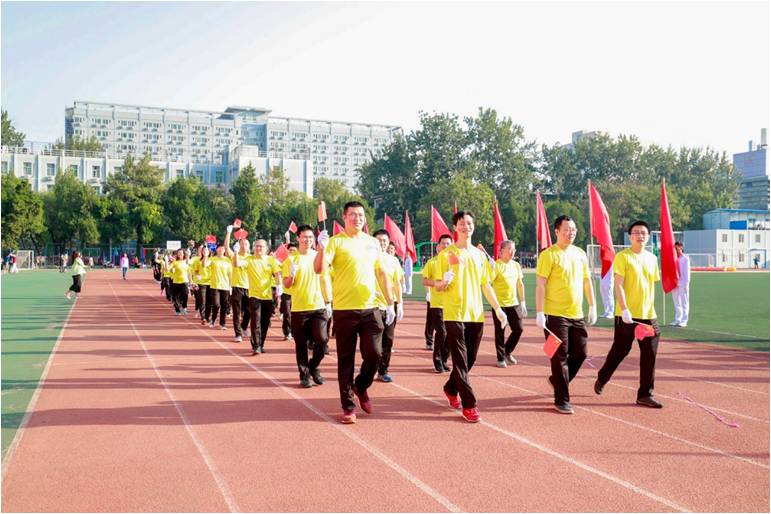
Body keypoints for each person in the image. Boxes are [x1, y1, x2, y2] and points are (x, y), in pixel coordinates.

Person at [314, 201, 394, 424]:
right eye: (352, 215)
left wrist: (390, 303)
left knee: (375, 354)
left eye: (360, 215)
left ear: (364, 218)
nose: (357, 218)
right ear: (344, 217)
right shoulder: (335, 242)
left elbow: (382, 273)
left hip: (370, 308)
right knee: (346, 360)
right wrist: (321, 248)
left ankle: (361, 385)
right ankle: (348, 406)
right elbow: (319, 269)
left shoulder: (372, 243)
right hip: (344, 309)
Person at [433, 211, 509, 423]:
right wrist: (444, 281)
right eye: (461, 223)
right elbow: (437, 285)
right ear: (455, 228)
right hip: (454, 313)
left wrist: (498, 309)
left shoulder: (479, 255)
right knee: (459, 360)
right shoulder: (446, 255)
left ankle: (450, 388)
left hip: (475, 314)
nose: (466, 226)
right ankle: (469, 405)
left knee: (470, 359)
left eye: (469, 223)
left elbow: (486, 284)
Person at [594, 220, 663, 408]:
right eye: (636, 233)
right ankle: (603, 377)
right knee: (620, 351)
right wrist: (624, 309)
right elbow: (618, 284)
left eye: (643, 233)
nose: (640, 236)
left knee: (649, 354)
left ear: (648, 237)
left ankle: (645, 394)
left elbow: (649, 285)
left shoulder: (652, 258)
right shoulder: (623, 257)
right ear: (630, 236)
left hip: (647, 315)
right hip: (627, 315)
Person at [535, 215, 597, 415]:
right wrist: (540, 312)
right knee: (558, 356)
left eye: (573, 230)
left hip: (576, 313)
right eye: (566, 230)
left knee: (581, 353)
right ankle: (561, 400)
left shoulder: (580, 254)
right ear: (557, 231)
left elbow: (587, 281)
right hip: (554, 315)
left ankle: (557, 380)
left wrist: (593, 305)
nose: (570, 233)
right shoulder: (549, 255)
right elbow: (540, 285)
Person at [283, 225, 332, 387]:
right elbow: (287, 285)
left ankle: (313, 366)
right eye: (304, 237)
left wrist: (328, 301)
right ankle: (304, 375)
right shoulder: (291, 260)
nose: (307, 240)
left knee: (322, 340)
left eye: (311, 237)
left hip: (318, 306)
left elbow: (325, 279)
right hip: (299, 308)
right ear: (298, 238)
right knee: (301, 345)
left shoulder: (319, 256)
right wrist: (291, 275)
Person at [236, 238, 281, 354]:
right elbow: (237, 264)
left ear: (266, 249)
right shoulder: (249, 259)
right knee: (255, 320)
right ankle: (256, 346)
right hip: (254, 295)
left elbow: (277, 273)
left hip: (267, 296)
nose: (258, 248)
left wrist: (279, 286)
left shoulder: (271, 260)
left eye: (261, 246)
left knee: (265, 322)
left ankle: (261, 344)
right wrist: (236, 252)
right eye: (256, 246)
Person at [372, 231, 404, 383]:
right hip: (373, 305)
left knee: (388, 340)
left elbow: (397, 283)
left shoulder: (393, 260)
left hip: (390, 305)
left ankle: (383, 370)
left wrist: (400, 303)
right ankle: (371, 367)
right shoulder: (368, 259)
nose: (382, 243)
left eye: (384, 240)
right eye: (379, 240)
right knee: (374, 341)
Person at [489, 240, 526, 368]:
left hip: (513, 303)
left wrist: (523, 302)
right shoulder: (497, 266)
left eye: (514, 249)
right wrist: (490, 268)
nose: (512, 251)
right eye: (509, 249)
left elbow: (520, 284)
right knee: (500, 331)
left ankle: (507, 351)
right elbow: (488, 282)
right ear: (501, 251)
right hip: (499, 305)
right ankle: (500, 358)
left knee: (519, 329)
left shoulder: (516, 265)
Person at [422, 234, 453, 372]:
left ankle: (445, 358)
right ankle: (437, 358)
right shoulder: (432, 262)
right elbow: (424, 280)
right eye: (443, 243)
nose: (445, 246)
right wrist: (437, 283)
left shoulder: (455, 263)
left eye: (448, 244)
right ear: (438, 247)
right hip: (437, 303)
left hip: (452, 303)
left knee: (452, 333)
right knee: (442, 332)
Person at [208, 228, 234, 330]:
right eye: (219, 249)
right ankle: (213, 319)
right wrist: (205, 255)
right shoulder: (212, 259)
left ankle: (222, 323)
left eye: (222, 249)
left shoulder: (228, 260)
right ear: (216, 250)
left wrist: (231, 286)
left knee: (224, 305)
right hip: (215, 285)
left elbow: (230, 274)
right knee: (216, 304)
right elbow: (205, 265)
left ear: (224, 250)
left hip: (225, 286)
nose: (221, 250)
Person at [229, 237, 252, 343]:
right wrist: (229, 233)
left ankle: (243, 327)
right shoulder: (234, 255)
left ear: (249, 246)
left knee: (249, 311)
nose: (243, 246)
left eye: (246, 244)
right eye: (242, 243)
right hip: (237, 286)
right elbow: (236, 264)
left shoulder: (251, 258)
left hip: (249, 287)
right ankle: (238, 334)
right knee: (237, 312)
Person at [280, 243, 298, 341]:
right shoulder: (286, 261)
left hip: (297, 293)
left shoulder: (299, 260)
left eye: (294, 250)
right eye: (290, 250)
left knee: (296, 314)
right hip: (286, 292)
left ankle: (295, 332)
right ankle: (287, 332)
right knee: (287, 314)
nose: (292, 252)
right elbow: (284, 276)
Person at [191, 245, 213, 323]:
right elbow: (195, 271)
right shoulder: (198, 261)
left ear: (209, 252)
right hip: (201, 283)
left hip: (211, 283)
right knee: (202, 300)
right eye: (204, 250)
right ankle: (203, 317)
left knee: (209, 301)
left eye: (206, 250)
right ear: (202, 252)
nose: (205, 252)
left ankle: (207, 316)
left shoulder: (212, 260)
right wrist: (197, 276)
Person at [671, 241, 690, 327]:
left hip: (683, 282)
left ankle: (684, 320)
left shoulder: (685, 258)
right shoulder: (674, 258)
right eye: (674, 248)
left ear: (681, 247)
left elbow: (687, 272)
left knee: (684, 301)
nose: (675, 249)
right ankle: (678, 319)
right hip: (675, 282)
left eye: (677, 247)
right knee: (676, 301)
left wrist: (686, 282)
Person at [169, 249, 192, 315]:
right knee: (175, 297)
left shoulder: (186, 262)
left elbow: (189, 272)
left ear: (184, 254)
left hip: (184, 281)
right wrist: (167, 262)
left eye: (181, 253)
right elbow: (168, 268)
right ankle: (177, 310)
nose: (180, 254)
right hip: (176, 282)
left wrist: (191, 281)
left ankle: (184, 307)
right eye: (178, 253)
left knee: (185, 294)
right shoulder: (175, 262)